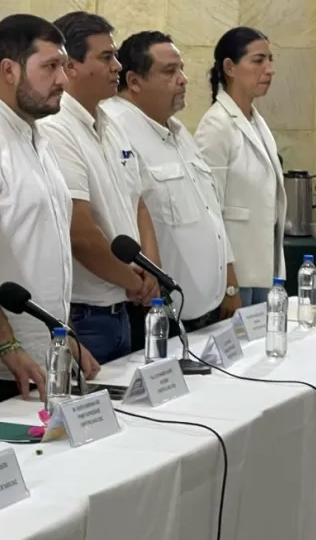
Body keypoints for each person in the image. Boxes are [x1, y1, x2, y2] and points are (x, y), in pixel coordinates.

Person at [0, 14, 100, 411]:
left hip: (43, 360)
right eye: (50, 67)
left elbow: (44, 254)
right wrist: (9, 347)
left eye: (62, 66)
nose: (63, 79)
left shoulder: (36, 135)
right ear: (8, 70)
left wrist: (64, 336)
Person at [38, 12, 161, 365]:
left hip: (122, 306)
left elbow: (138, 203)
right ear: (70, 65)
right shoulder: (57, 128)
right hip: (85, 313)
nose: (118, 66)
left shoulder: (110, 122)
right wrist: (133, 280)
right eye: (106, 57)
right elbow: (80, 230)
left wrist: (150, 270)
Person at [104, 31, 239, 331]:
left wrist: (229, 282)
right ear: (134, 81)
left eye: (181, 69)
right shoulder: (115, 130)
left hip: (206, 309)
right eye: (169, 71)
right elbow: (128, 213)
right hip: (157, 315)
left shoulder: (177, 130)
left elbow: (210, 211)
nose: (183, 79)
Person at [195, 27, 287, 306]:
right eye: (258, 61)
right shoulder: (216, 125)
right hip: (235, 274)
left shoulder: (256, 121)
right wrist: (228, 279)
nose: (269, 69)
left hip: (262, 267)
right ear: (230, 67)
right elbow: (209, 208)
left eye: (270, 60)